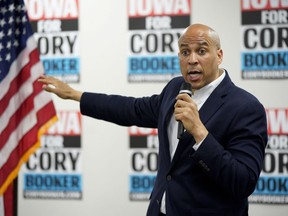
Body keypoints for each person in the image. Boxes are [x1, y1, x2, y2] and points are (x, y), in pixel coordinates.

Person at [38, 24, 267, 216]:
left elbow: (243, 181)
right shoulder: (175, 88)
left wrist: (199, 132)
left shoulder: (246, 107)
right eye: (185, 52)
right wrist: (76, 95)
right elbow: (132, 109)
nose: (192, 60)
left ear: (219, 55)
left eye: (202, 51)